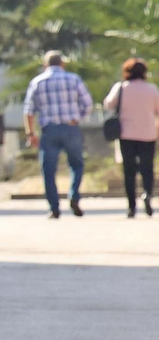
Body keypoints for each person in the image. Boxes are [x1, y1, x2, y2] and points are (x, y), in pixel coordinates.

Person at [24, 51, 94, 219]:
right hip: (71, 128)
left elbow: (29, 110)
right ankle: (74, 195)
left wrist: (30, 133)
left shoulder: (37, 82)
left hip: (50, 130)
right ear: (62, 64)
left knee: (48, 170)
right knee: (76, 165)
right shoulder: (73, 79)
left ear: (45, 65)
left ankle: (54, 208)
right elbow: (88, 103)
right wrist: (78, 118)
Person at [102, 58, 159, 218]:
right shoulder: (152, 89)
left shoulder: (121, 88)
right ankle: (147, 194)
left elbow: (108, 104)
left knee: (129, 170)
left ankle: (131, 206)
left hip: (126, 134)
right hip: (148, 134)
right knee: (147, 168)